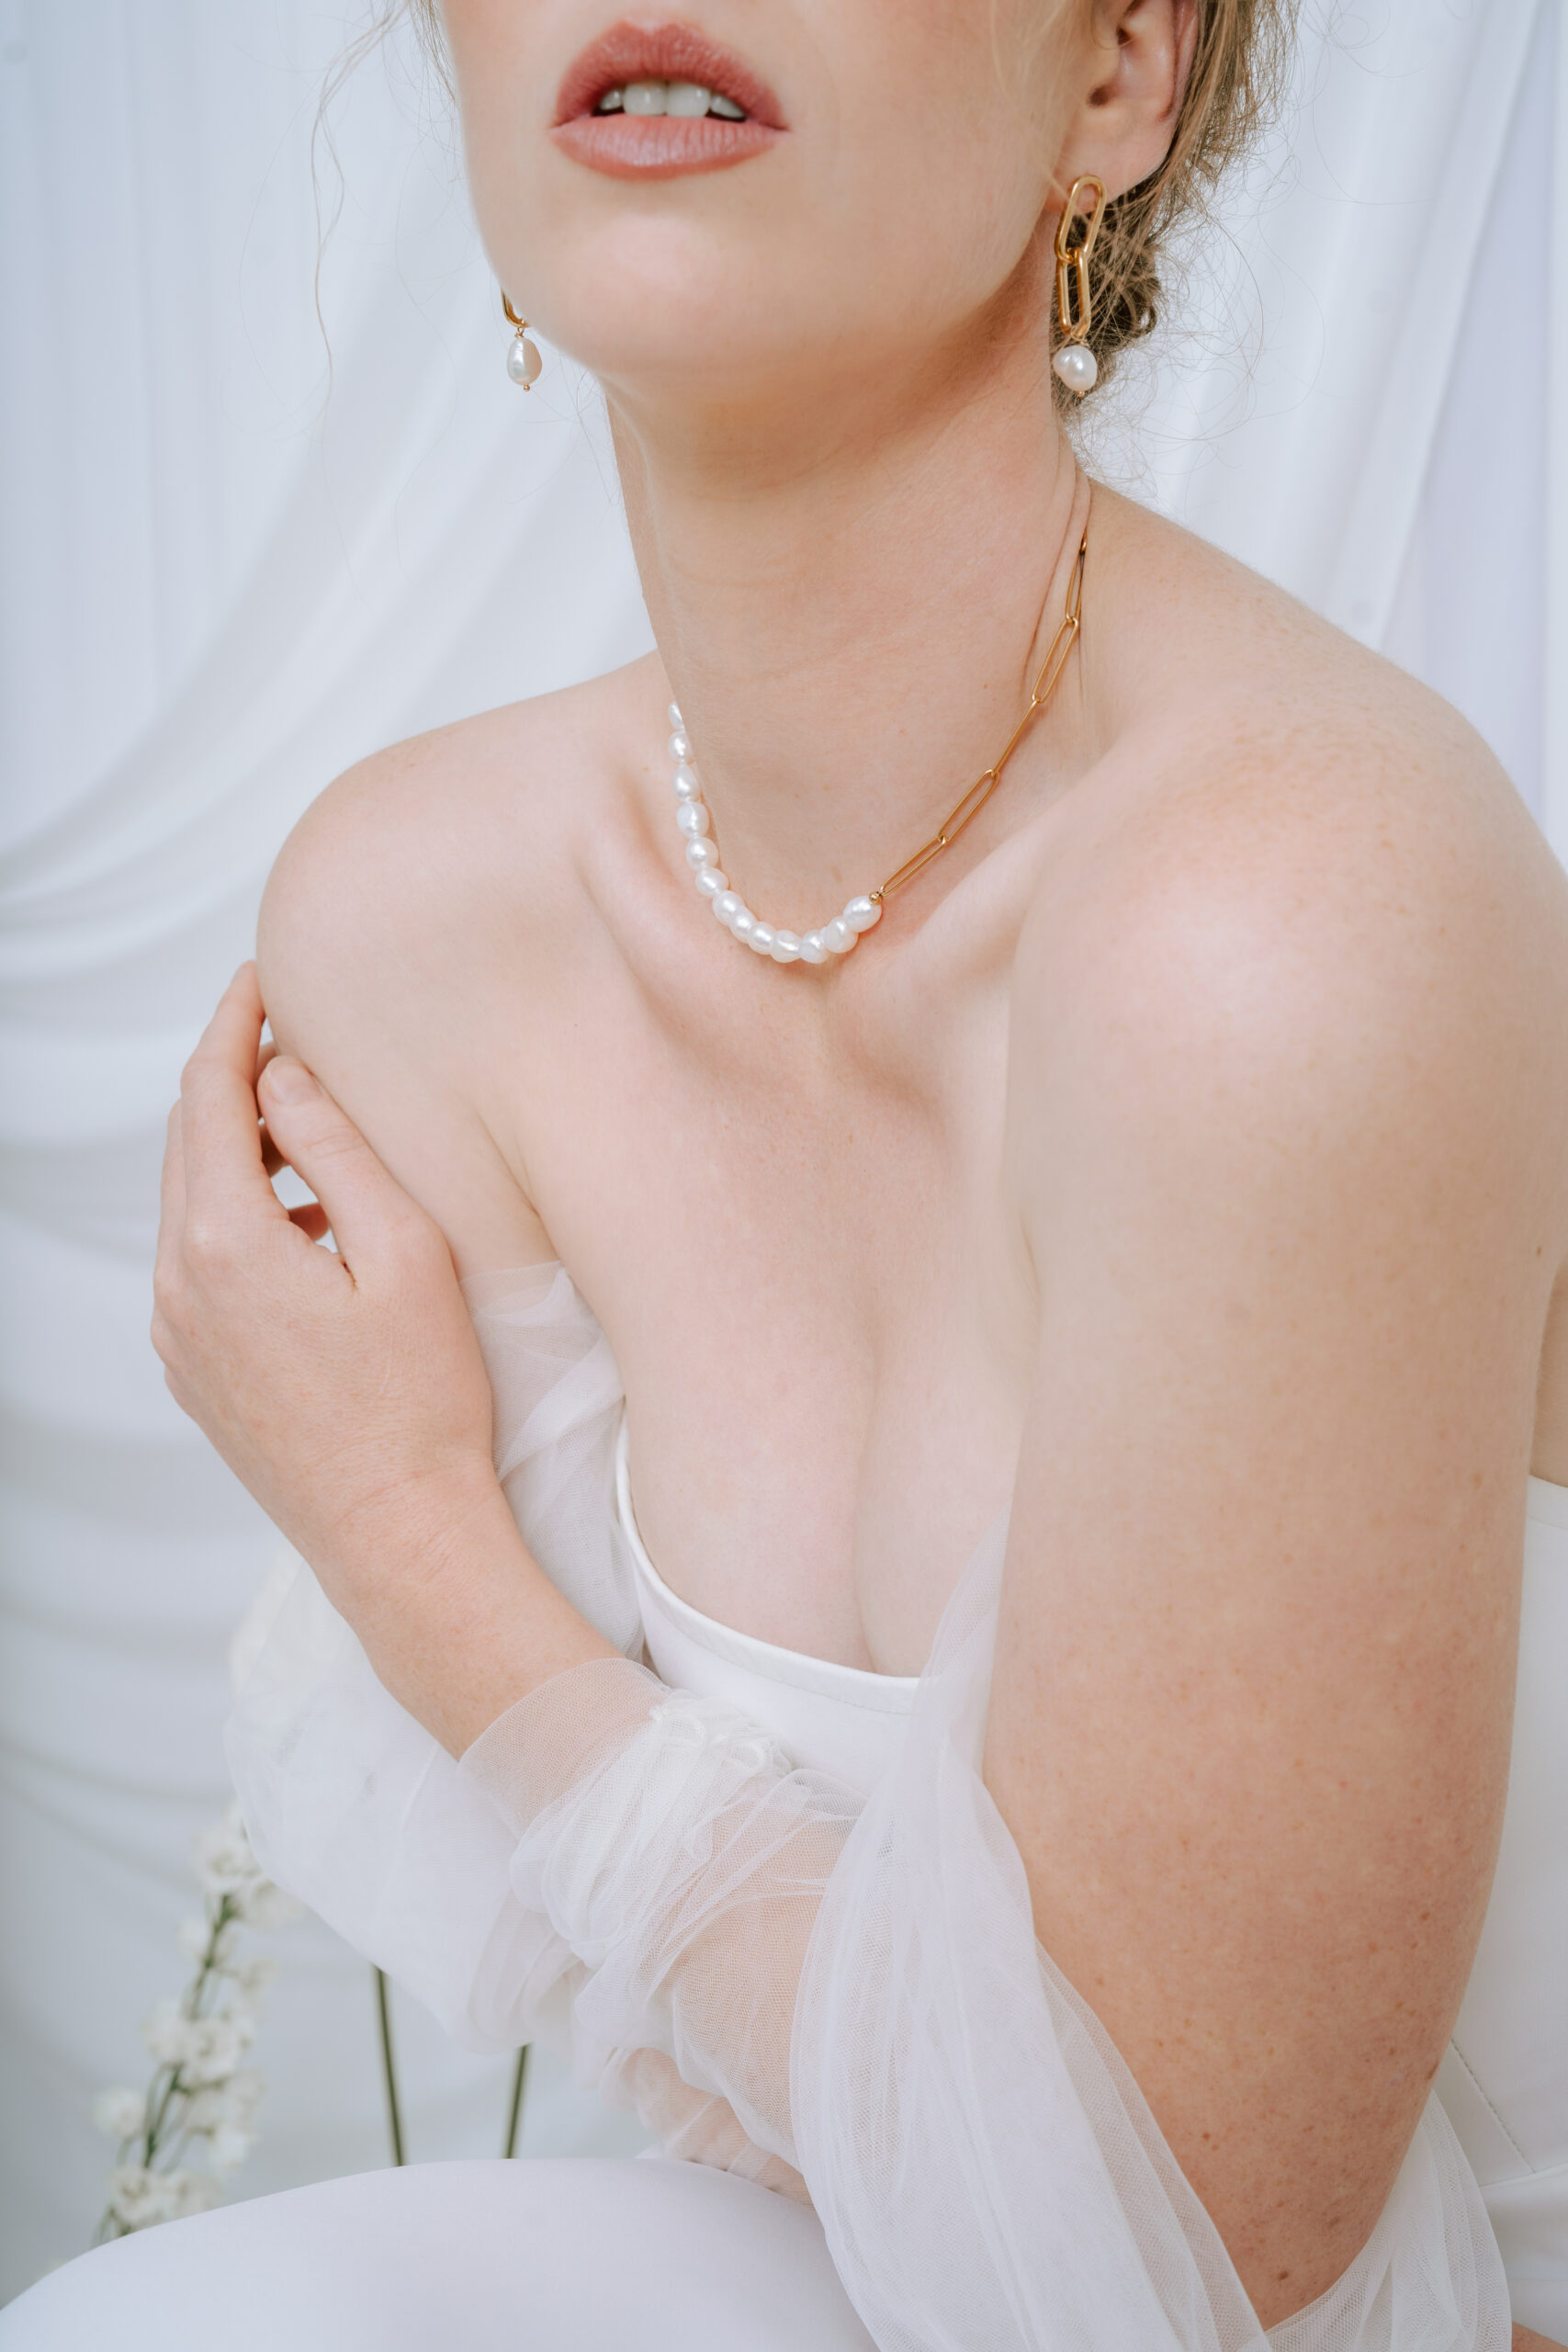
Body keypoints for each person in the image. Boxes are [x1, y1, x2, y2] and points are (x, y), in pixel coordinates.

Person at [6, 1, 1566, 2345]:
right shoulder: (420, 919)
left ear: (1114, 76)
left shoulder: (1286, 921)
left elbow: (1174, 2252)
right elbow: (702, 2039)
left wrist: (406, 1539)